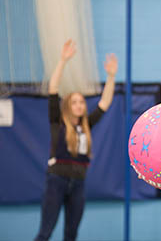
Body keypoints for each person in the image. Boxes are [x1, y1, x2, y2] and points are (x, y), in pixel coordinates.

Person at [35, 39, 118, 241]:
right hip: (57, 180)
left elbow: (105, 102)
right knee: (46, 231)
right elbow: (53, 88)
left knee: (71, 234)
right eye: (75, 102)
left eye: (82, 102)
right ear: (67, 106)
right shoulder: (58, 121)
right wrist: (63, 61)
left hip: (78, 183)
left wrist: (111, 76)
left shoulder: (86, 125)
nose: (80, 105)